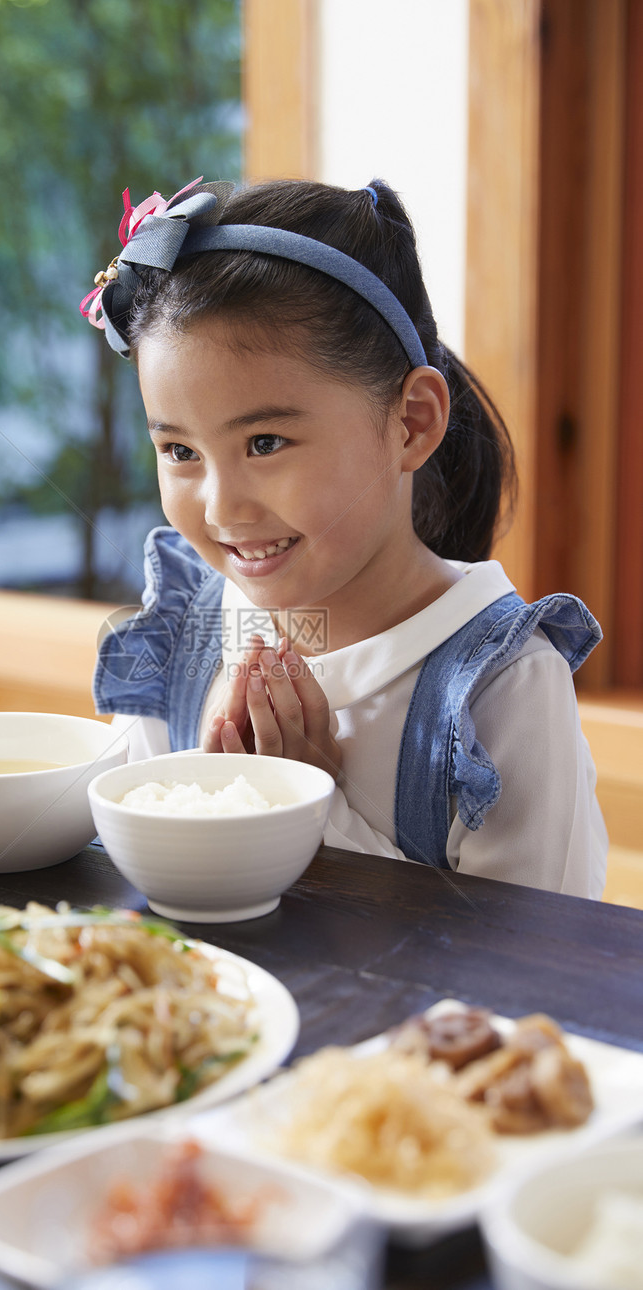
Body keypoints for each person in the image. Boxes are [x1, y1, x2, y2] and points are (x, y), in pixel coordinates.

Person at [80, 176, 607, 898]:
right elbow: (122, 886)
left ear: (412, 424)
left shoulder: (501, 687)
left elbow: (530, 976)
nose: (223, 507)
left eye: (265, 442)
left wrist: (311, 811)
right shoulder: (181, 635)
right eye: (180, 452)